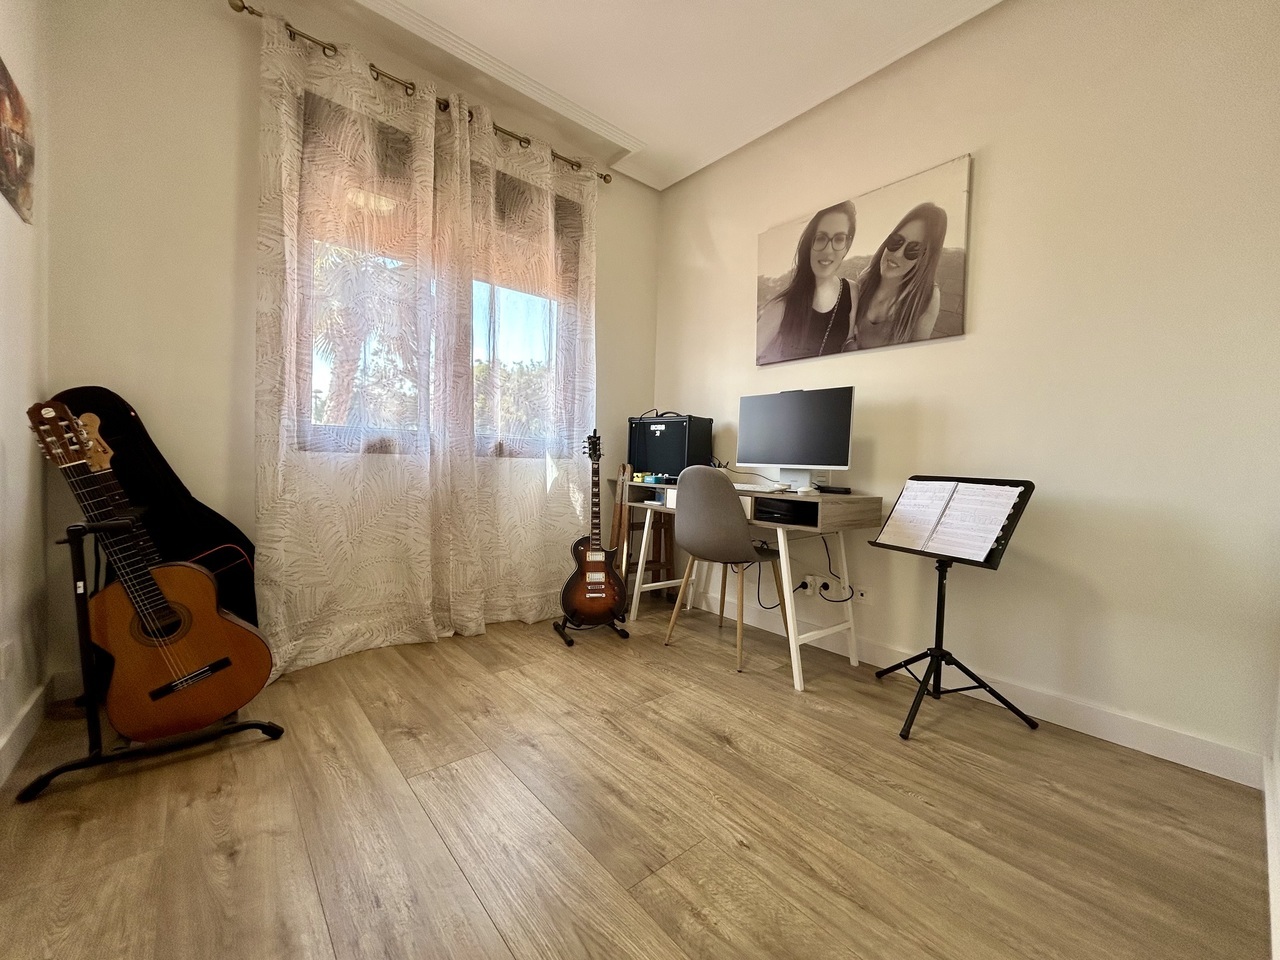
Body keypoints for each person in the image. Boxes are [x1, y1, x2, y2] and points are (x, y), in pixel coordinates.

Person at [756, 201, 856, 364]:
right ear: (810, 243)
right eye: (821, 238)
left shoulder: (851, 290)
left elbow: (848, 342)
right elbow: (747, 358)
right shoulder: (780, 307)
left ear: (847, 245)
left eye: (839, 239)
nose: (828, 250)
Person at [843, 202, 947, 351]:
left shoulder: (926, 298)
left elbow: (916, 356)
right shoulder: (864, 280)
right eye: (896, 240)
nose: (897, 254)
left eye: (913, 250)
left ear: (925, 258)